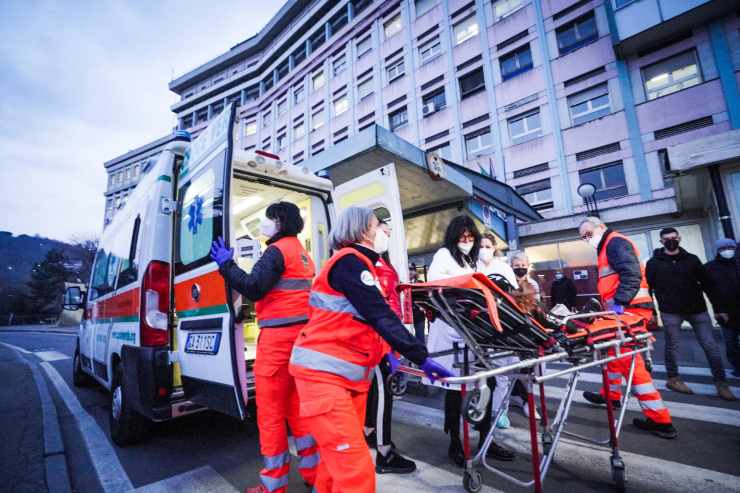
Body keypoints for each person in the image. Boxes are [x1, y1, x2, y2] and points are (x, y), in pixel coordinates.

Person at [289, 206, 452, 493]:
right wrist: (421, 357)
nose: (385, 231)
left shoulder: (358, 266)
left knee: (332, 469)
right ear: (362, 229)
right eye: (379, 225)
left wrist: (388, 352)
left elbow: (362, 323)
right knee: (357, 475)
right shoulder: (349, 263)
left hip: (343, 379)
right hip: (325, 379)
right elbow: (379, 314)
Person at [210, 202, 318, 493]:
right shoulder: (303, 254)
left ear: (279, 221)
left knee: (271, 415)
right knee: (300, 411)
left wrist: (226, 265)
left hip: (277, 345)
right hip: (302, 342)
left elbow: (254, 287)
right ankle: (314, 475)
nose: (264, 223)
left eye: (268, 218)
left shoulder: (276, 252)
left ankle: (273, 485)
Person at [578, 217, 677, 439]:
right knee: (612, 354)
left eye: (588, 234)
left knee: (627, 360)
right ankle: (611, 396)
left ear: (601, 227)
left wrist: (620, 302)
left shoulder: (614, 243)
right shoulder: (607, 246)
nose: (586, 239)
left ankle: (660, 420)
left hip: (629, 310)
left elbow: (631, 274)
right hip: (622, 310)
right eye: (582, 237)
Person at [427, 216, 515, 465]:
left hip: (474, 331)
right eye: (462, 238)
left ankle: (486, 437)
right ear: (454, 238)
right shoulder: (444, 255)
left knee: (485, 384)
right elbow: (434, 285)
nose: (466, 241)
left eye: (470, 238)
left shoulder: (473, 260)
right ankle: (455, 440)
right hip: (450, 329)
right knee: (456, 389)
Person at [645, 228, 735, 401]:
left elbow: (708, 284)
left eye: (673, 237)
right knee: (672, 346)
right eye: (666, 239)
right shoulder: (654, 263)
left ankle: (721, 384)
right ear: (661, 241)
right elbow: (648, 289)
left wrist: (718, 308)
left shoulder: (692, 259)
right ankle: (673, 378)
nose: (671, 240)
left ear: (679, 238)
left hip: (697, 309)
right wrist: (652, 313)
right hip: (670, 311)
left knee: (711, 346)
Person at [363, 217, 417, 474]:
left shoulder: (380, 260)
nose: (387, 235)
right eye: (383, 230)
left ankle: (370, 432)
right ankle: (384, 452)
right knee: (383, 391)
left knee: (377, 389)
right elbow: (378, 305)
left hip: (387, 334)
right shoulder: (365, 261)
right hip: (379, 336)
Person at [477, 233, 518, 429]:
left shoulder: (503, 268)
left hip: (502, 324)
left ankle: (501, 411)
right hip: (479, 326)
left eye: (487, 245)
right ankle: (482, 409)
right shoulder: (473, 267)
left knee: (503, 373)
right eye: (481, 246)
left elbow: (514, 295)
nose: (483, 249)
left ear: (494, 247)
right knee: (482, 373)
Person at [703, 238, 740, 378]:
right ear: (718, 251)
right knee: (731, 342)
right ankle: (737, 366)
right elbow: (710, 291)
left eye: (729, 247)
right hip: (726, 312)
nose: (727, 251)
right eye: (723, 249)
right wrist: (718, 310)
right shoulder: (710, 268)